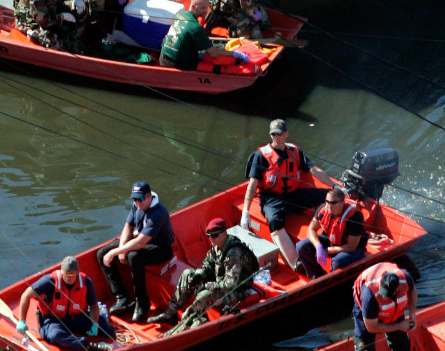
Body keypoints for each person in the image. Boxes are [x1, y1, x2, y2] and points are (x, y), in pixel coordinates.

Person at [241, 119, 335, 272]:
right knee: (274, 220)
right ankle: (295, 262)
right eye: (273, 134)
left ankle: (325, 228)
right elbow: (252, 185)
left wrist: (333, 186)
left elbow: (313, 169)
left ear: (286, 134)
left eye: (279, 134)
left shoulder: (295, 151)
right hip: (271, 199)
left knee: (327, 196)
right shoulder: (260, 156)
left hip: (293, 195)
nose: (276, 138)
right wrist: (245, 212)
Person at [147, 217, 260, 330]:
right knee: (188, 274)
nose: (211, 239)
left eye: (215, 235)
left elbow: (230, 284)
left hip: (238, 289)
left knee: (204, 295)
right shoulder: (216, 246)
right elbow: (207, 264)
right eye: (209, 236)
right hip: (220, 281)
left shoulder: (234, 253)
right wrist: (198, 275)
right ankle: (170, 312)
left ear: (225, 233)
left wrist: (207, 285)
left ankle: (187, 324)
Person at [97, 181, 176, 324]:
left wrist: (116, 252)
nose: (137, 203)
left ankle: (142, 301)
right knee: (102, 253)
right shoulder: (137, 206)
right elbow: (128, 226)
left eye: (140, 199)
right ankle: (122, 298)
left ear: (149, 197)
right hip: (141, 241)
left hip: (161, 248)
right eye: (134, 199)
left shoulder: (158, 213)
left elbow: (140, 243)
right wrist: (120, 249)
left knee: (133, 255)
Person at [15, 255, 115, 351]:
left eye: (71, 275)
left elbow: (93, 306)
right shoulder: (49, 281)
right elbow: (26, 295)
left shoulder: (86, 282)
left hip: (76, 317)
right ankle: (89, 345)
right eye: (64, 274)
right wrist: (22, 321)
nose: (67, 278)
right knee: (55, 335)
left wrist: (94, 325)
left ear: (77, 272)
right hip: (53, 320)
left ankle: (110, 344)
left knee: (107, 329)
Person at [351, 262, 425, 351]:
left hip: (393, 311)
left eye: (387, 294)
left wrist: (412, 314)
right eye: (383, 292)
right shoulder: (369, 294)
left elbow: (413, 292)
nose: (384, 297)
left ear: (397, 289)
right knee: (364, 349)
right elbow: (371, 327)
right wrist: (399, 326)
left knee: (402, 343)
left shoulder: (405, 278)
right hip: (368, 317)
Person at [159, 0, 250, 70]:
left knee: (207, 46)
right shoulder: (196, 27)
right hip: (178, 64)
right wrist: (235, 54)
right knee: (215, 52)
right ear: (193, 6)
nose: (205, 11)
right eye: (202, 8)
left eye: (206, 7)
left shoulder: (180, 14)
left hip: (162, 58)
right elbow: (213, 53)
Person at [295, 186, 370, 279]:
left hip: (351, 248)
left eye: (333, 203)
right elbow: (311, 229)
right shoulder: (323, 209)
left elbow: (351, 247)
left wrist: (328, 250)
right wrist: (318, 247)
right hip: (331, 240)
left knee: (337, 262)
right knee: (301, 246)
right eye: (327, 202)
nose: (329, 205)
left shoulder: (354, 217)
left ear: (342, 202)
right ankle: (317, 276)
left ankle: (334, 281)